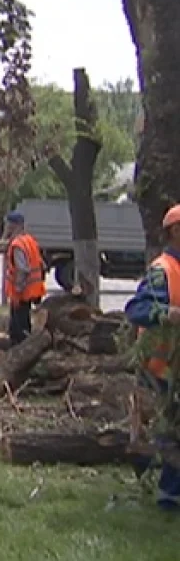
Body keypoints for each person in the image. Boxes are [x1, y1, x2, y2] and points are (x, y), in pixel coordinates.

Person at [125, 204, 180, 511]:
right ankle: (167, 494)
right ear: (175, 231)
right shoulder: (162, 270)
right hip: (160, 367)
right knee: (167, 431)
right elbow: (136, 310)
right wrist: (167, 314)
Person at [3, 211, 46, 345]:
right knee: (24, 322)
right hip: (32, 290)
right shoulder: (29, 240)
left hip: (22, 292)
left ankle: (19, 350)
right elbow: (42, 264)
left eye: (7, 224)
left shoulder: (18, 245)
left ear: (12, 225)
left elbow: (22, 269)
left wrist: (18, 290)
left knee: (18, 327)